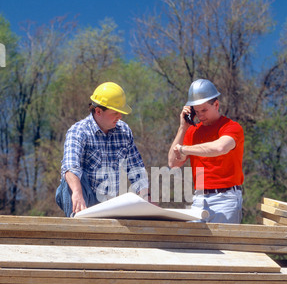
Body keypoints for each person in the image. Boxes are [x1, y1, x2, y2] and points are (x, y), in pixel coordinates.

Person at [56, 82, 149, 217]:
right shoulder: (78, 131)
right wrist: (77, 193)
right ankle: (76, 221)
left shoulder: (124, 131)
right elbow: (70, 166)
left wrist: (146, 199)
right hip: (82, 195)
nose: (120, 116)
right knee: (70, 179)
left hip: (107, 200)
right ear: (98, 111)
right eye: (115, 113)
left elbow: (136, 168)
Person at [168, 78, 244, 223]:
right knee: (195, 244)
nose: (201, 115)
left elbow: (219, 147)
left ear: (216, 104)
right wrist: (183, 128)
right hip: (199, 198)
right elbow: (173, 163)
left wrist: (185, 149)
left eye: (204, 110)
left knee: (225, 244)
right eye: (197, 111)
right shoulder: (191, 132)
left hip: (226, 198)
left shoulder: (232, 127)